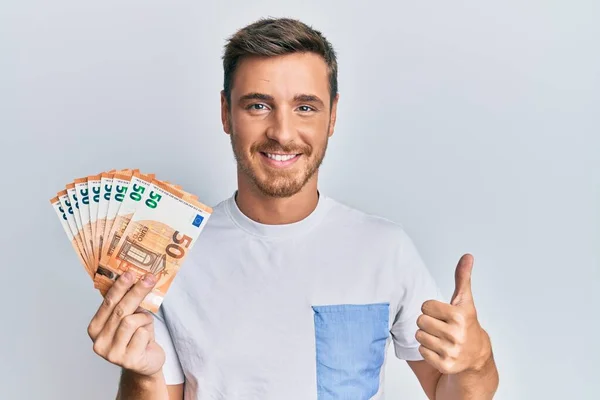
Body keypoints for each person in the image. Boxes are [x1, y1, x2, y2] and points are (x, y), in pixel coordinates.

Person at [87, 18, 499, 400]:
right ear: (225, 113)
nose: (282, 133)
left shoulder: (385, 249)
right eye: (258, 105)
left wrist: (477, 362)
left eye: (305, 107)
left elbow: (452, 390)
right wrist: (141, 376)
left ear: (332, 115)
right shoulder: (172, 258)